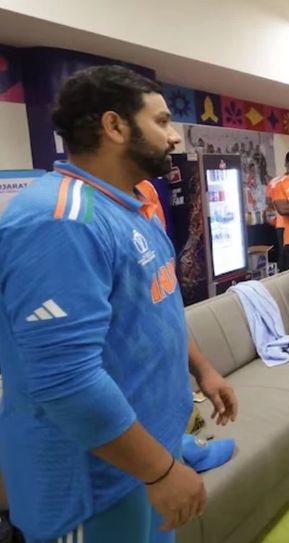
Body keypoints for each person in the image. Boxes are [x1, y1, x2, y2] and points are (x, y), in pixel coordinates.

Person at [0, 65, 235, 543]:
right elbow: (65, 380)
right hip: (93, 481)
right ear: (114, 126)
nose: (173, 136)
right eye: (162, 121)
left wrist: (203, 368)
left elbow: (157, 304)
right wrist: (161, 473)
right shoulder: (59, 220)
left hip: (146, 456)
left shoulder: (130, 202)